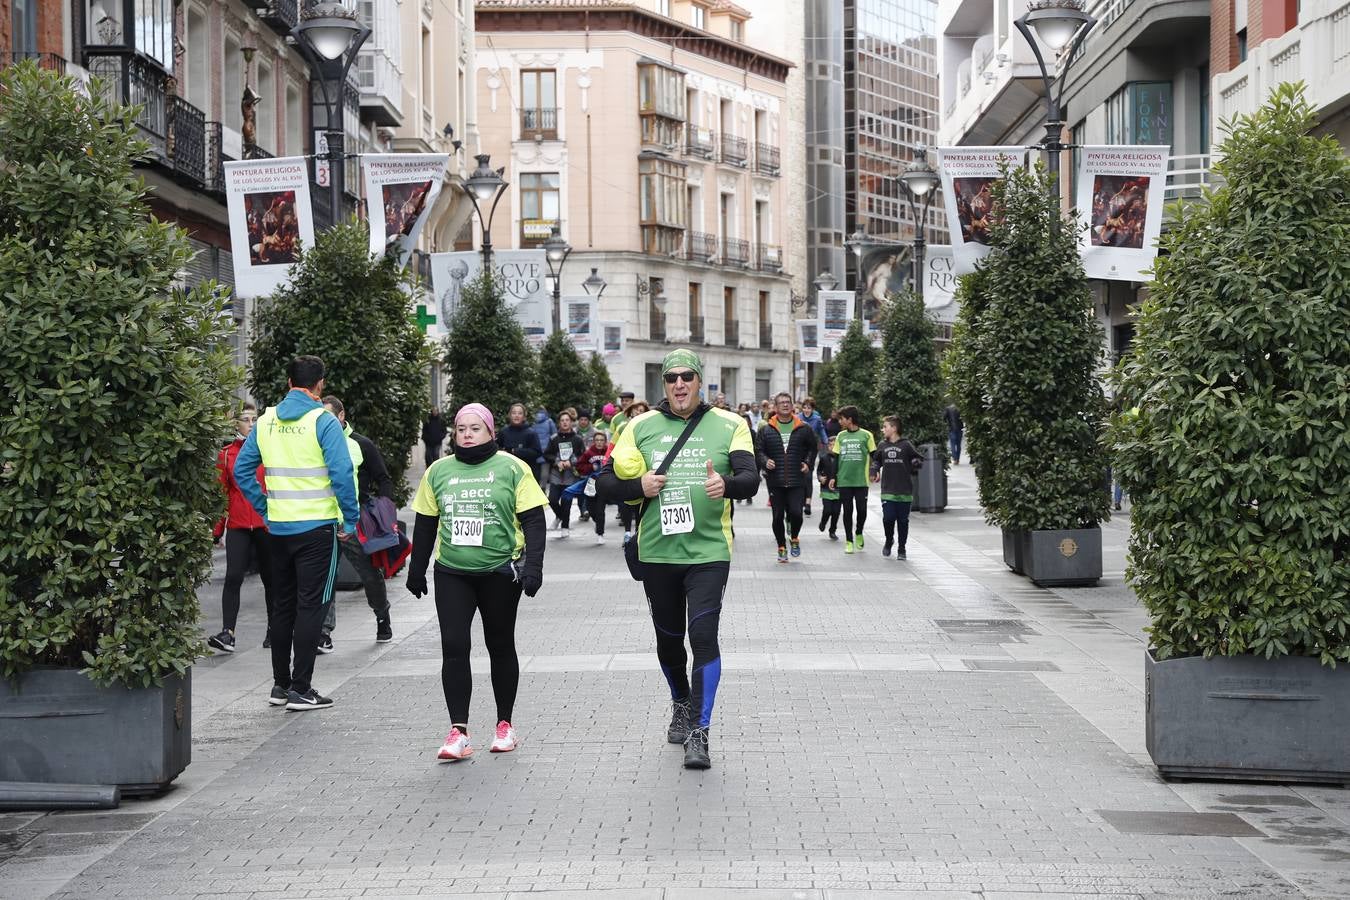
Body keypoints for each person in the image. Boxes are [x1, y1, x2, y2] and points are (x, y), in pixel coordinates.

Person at [596, 349, 759, 769]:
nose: (680, 384)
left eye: (687, 376)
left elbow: (751, 479)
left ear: (699, 380)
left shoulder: (730, 424)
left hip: (708, 552)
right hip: (658, 553)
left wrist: (726, 483)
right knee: (669, 640)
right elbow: (605, 485)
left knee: (703, 637)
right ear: (663, 384)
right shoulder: (640, 426)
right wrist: (639, 484)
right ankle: (680, 702)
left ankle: (699, 733)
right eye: (671, 378)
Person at [405, 403, 547, 760]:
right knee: (454, 645)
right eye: (461, 429)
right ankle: (459, 731)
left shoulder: (512, 468)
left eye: (475, 428)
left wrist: (534, 567)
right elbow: (425, 523)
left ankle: (505, 725)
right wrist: (416, 568)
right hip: (453, 571)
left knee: (499, 644)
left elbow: (533, 520)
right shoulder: (438, 470)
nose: (466, 434)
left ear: (490, 432)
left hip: (500, 571)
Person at [235, 356, 359, 711]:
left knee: (282, 605)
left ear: (289, 382)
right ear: (319, 385)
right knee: (312, 606)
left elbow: (244, 471)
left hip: (277, 529)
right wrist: (349, 520)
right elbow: (341, 471)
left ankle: (280, 685)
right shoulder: (323, 421)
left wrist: (265, 508)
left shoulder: (267, 419)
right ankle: (301, 689)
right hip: (317, 528)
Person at [318, 396, 395, 651]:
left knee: (369, 574)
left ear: (341, 416)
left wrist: (383, 511)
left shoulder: (361, 444)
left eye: (328, 416)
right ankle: (324, 632)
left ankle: (382, 615)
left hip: (355, 521)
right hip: (326, 519)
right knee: (326, 577)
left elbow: (383, 478)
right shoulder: (314, 443)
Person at [209, 403, 274, 653]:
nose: (251, 423)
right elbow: (222, 495)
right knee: (233, 576)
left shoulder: (268, 451)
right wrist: (217, 531)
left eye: (255, 419)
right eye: (246, 419)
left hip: (265, 524)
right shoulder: (226, 455)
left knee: (271, 579)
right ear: (236, 424)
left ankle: (274, 630)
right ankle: (228, 633)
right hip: (237, 524)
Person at [757, 392, 818, 563]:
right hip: (775, 481)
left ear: (792, 406)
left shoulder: (803, 428)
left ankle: (795, 537)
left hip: (797, 479)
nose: (785, 405)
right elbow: (758, 451)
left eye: (788, 402)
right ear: (775, 407)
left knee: (796, 513)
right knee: (777, 516)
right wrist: (765, 461)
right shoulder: (766, 430)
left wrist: (807, 463)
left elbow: (813, 448)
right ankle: (781, 547)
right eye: (781, 403)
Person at [871, 415, 924, 559]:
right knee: (888, 518)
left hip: (904, 490)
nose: (883, 430)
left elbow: (917, 458)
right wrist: (874, 471)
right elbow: (876, 460)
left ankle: (902, 549)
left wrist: (915, 464)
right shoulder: (882, 445)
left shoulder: (906, 445)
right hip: (888, 489)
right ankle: (889, 541)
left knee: (902, 521)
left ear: (894, 428)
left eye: (885, 427)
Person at [827, 405, 876, 555]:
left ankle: (859, 531)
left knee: (861, 510)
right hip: (845, 481)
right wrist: (832, 477)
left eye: (842, 418)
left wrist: (874, 471)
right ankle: (849, 540)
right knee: (847, 511)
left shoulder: (866, 435)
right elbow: (835, 459)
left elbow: (874, 455)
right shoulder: (841, 436)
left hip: (861, 480)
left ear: (850, 419)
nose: (840, 421)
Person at [544, 409, 585, 538]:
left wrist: (572, 462)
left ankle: (565, 526)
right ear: (559, 423)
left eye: (567, 420)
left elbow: (583, 456)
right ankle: (560, 517)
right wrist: (557, 462)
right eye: (562, 421)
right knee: (552, 500)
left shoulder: (577, 439)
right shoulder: (554, 439)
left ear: (571, 422)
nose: (565, 423)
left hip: (571, 475)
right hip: (556, 475)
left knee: (567, 501)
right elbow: (546, 454)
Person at [575, 430, 610, 544]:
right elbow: (579, 466)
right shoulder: (589, 453)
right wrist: (590, 467)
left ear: (605, 441)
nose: (599, 442)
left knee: (600, 510)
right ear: (594, 441)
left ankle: (600, 533)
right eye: (597, 440)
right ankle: (598, 523)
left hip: (604, 485)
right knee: (591, 509)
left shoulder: (609, 453)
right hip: (590, 485)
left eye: (601, 440)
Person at [799, 397, 830, 517]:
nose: (806, 410)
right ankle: (800, 499)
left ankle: (808, 503)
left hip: (811, 449)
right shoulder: (797, 418)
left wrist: (827, 443)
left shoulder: (816, 419)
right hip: (799, 449)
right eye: (805, 407)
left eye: (809, 408)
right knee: (800, 475)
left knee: (808, 476)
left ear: (813, 409)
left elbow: (822, 432)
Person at [816, 451, 841, 540]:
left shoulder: (841, 458)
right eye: (830, 445)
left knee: (836, 512)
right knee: (827, 510)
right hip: (826, 488)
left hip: (839, 489)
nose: (832, 447)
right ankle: (823, 522)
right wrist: (820, 477)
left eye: (834, 444)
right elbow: (818, 470)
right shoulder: (824, 458)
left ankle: (832, 531)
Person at [529, 408, 557, 483]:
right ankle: (543, 490)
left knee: (534, 474)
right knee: (544, 475)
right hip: (546, 452)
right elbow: (555, 435)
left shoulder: (533, 422)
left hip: (535, 452)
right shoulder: (549, 421)